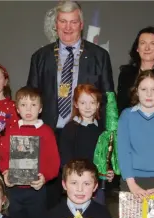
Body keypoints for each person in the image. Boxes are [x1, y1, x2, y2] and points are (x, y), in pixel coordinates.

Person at [0, 86, 60, 218]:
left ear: (40, 108)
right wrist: (6, 173)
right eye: (23, 104)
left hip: (36, 191)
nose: (28, 109)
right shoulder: (12, 129)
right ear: (16, 107)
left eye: (33, 105)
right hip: (14, 191)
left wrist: (44, 177)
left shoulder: (46, 131)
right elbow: (4, 156)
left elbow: (54, 162)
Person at [27, 1, 114, 132]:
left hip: (86, 133)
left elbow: (108, 100)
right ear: (56, 24)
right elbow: (31, 98)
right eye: (63, 21)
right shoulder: (40, 57)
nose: (68, 27)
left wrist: (109, 134)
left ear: (81, 25)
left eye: (73, 22)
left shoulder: (100, 56)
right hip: (48, 134)